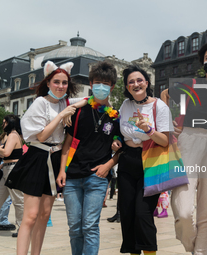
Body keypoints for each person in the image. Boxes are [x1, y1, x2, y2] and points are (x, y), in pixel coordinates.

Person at [5, 61, 86, 255]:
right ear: (48, 83)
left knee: (44, 215)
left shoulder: (64, 103)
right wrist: (62, 116)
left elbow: (87, 99)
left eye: (64, 82)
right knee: (31, 216)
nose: (60, 86)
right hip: (38, 157)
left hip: (55, 158)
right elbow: (41, 136)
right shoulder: (41, 103)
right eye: (56, 82)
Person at [160, 41, 207, 255]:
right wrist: (169, 123)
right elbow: (164, 95)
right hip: (188, 141)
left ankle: (200, 251)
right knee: (182, 210)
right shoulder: (190, 83)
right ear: (203, 61)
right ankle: (197, 248)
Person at [57, 61, 121, 255]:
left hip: (98, 178)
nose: (101, 86)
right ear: (91, 84)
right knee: (75, 227)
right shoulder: (78, 111)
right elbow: (67, 144)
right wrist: (62, 170)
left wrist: (108, 165)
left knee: (90, 226)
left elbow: (122, 149)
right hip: (73, 177)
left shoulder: (116, 117)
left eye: (106, 83)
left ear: (112, 86)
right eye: (97, 82)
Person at [112, 65, 173, 255]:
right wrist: (116, 141)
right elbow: (119, 132)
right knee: (128, 214)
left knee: (143, 214)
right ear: (127, 87)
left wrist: (148, 130)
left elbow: (165, 141)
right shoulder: (125, 105)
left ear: (147, 83)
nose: (136, 84)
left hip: (151, 161)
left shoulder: (159, 106)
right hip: (128, 161)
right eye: (131, 82)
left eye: (139, 80)